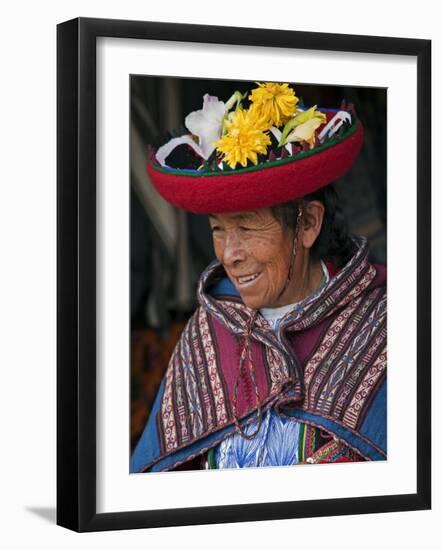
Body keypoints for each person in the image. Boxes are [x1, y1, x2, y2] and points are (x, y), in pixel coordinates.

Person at [130, 82, 386, 473]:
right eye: (218, 230)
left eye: (247, 230)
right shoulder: (209, 329)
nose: (229, 255)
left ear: (308, 224)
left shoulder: (383, 325)